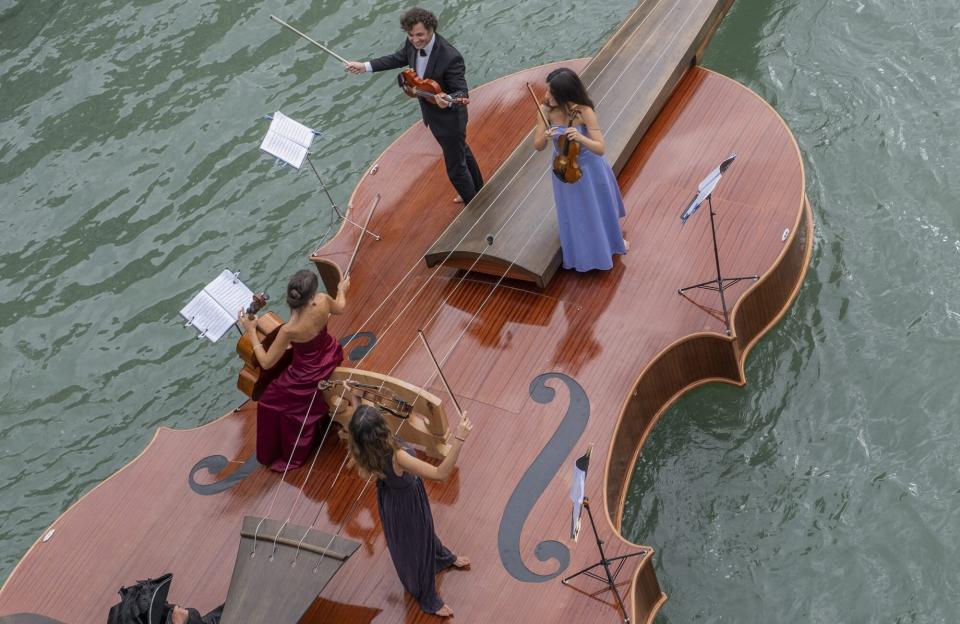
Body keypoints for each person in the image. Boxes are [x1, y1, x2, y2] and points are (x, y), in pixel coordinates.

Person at [345, 7, 484, 204]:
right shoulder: (411, 45)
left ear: (431, 30)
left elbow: (462, 93)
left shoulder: (450, 57)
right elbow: (397, 58)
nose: (415, 40)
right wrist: (365, 66)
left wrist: (447, 99)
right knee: (461, 151)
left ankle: (475, 206)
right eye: (411, 35)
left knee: (455, 169)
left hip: (450, 120)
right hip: (431, 114)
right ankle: (478, 189)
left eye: (420, 35)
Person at [346, 403, 473, 617]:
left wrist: (356, 396)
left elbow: (358, 415)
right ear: (380, 429)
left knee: (422, 534)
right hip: (406, 503)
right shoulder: (398, 457)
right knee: (417, 545)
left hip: (391, 499)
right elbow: (441, 474)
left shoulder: (364, 451)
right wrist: (459, 437)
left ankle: (441, 556)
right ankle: (427, 595)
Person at [237, 269, 348, 471]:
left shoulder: (290, 329)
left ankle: (279, 450)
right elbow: (340, 307)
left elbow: (266, 363)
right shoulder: (323, 301)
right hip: (330, 355)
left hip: (306, 374)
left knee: (268, 401)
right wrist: (341, 289)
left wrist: (252, 331)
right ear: (312, 296)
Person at [533, 67, 628, 272]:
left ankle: (610, 244)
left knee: (597, 208)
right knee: (575, 213)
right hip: (563, 168)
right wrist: (546, 137)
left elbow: (600, 148)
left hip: (590, 167)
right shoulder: (545, 111)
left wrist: (581, 138)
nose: (546, 95)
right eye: (547, 90)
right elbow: (538, 146)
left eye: (551, 92)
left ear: (565, 95)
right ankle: (581, 255)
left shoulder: (584, 111)